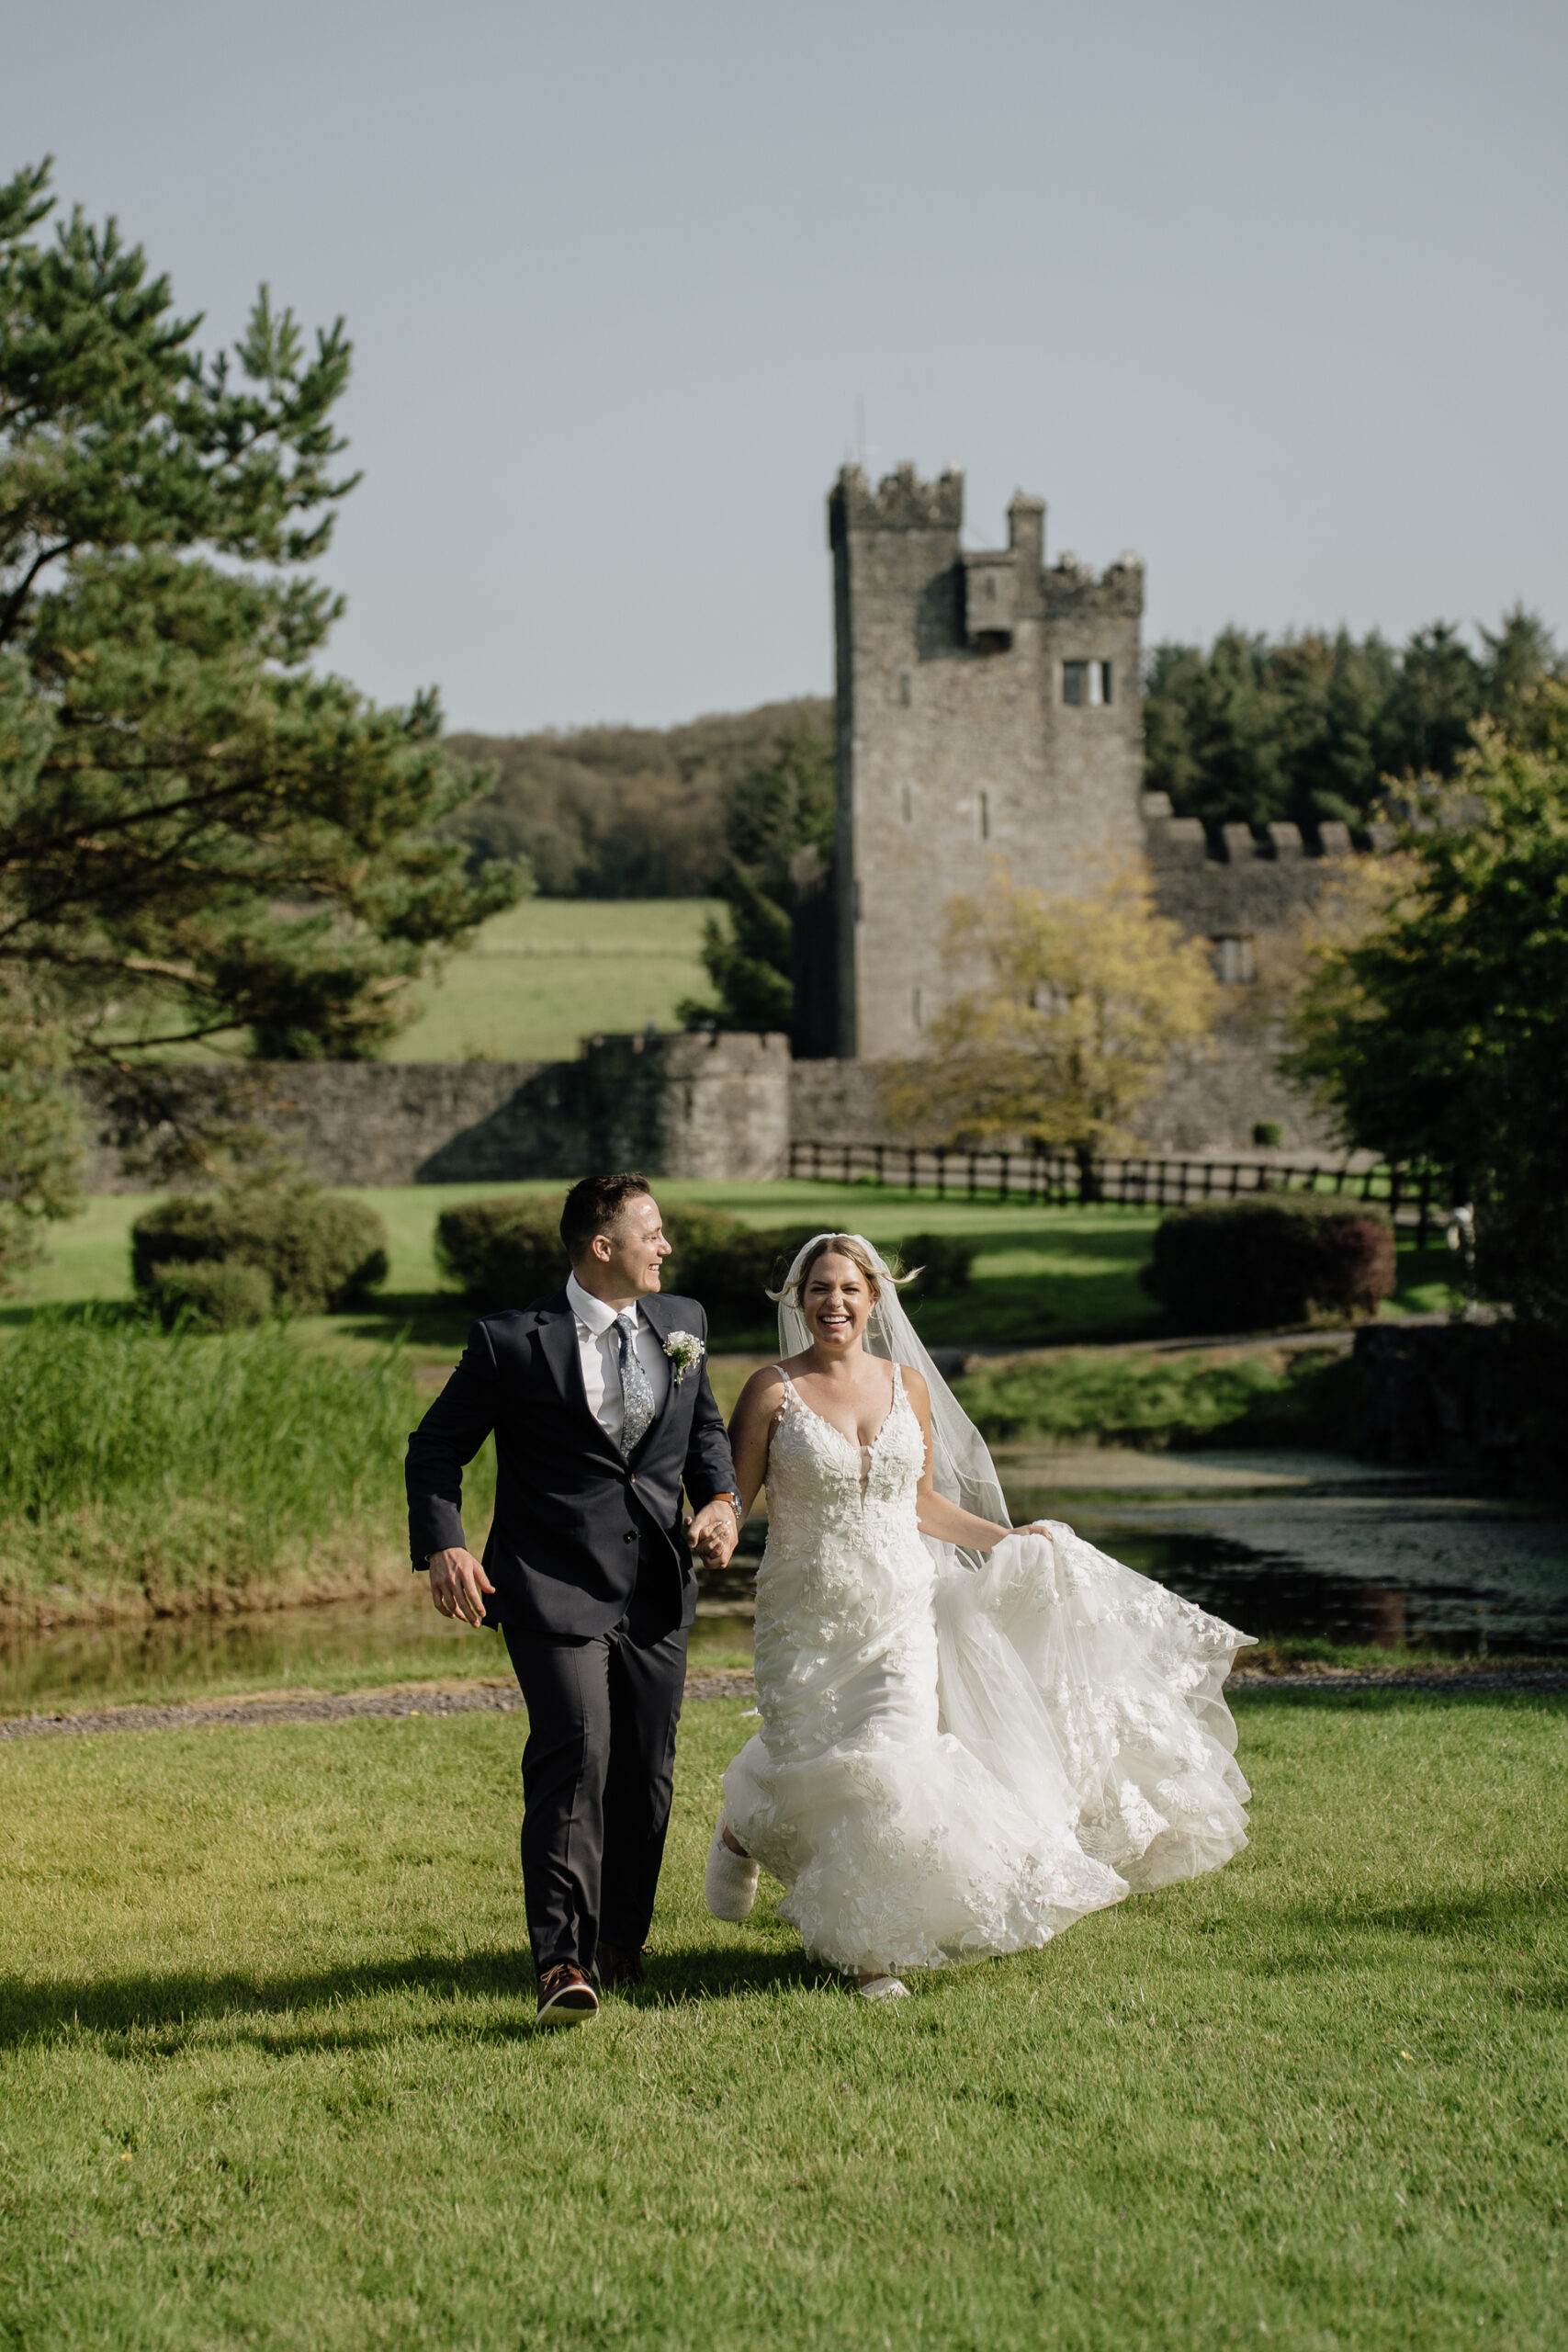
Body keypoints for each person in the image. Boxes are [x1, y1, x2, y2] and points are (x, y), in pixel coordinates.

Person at [705, 1233, 1254, 1998]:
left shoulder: (906, 1387)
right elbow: (733, 1494)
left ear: (873, 1299)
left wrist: (1008, 1541)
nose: (833, 1303)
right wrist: (718, 1526)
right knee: (813, 1756)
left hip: (899, 1610)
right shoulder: (771, 1389)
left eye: (848, 1290)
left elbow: (923, 1503)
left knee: (887, 1764)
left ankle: (870, 1950)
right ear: (797, 1301)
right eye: (818, 1289)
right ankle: (743, 1828)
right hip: (806, 1612)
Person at [406, 1172, 741, 2028]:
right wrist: (444, 1544)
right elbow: (435, 1449)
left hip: (658, 1591)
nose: (665, 1246)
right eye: (652, 1232)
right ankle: (561, 1963)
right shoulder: (510, 1342)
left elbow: (702, 1431)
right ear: (603, 1247)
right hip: (550, 1586)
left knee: (646, 1776)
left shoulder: (683, 1325)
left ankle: (620, 1947)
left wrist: (720, 1503)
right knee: (574, 1759)